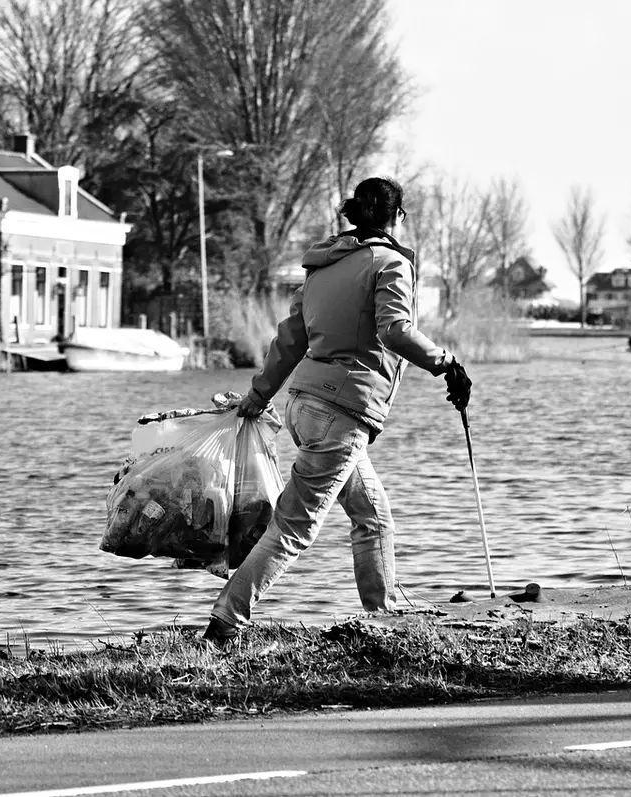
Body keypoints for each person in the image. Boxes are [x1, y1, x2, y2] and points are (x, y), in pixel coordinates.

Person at [202, 176, 472, 646]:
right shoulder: (390, 264)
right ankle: (224, 623)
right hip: (341, 411)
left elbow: (290, 340)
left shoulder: (323, 266)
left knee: (373, 516)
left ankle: (383, 619)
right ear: (398, 218)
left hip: (305, 406)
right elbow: (394, 329)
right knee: (294, 528)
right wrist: (446, 363)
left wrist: (258, 397)